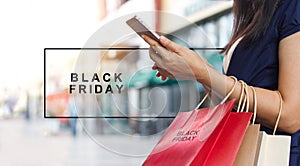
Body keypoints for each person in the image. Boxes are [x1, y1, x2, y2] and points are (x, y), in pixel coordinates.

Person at [142, 0, 300, 164]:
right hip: (241, 152)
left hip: (276, 156)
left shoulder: (293, 7)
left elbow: (290, 117)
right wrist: (196, 72)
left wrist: (204, 72)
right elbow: (231, 105)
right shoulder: (252, 15)